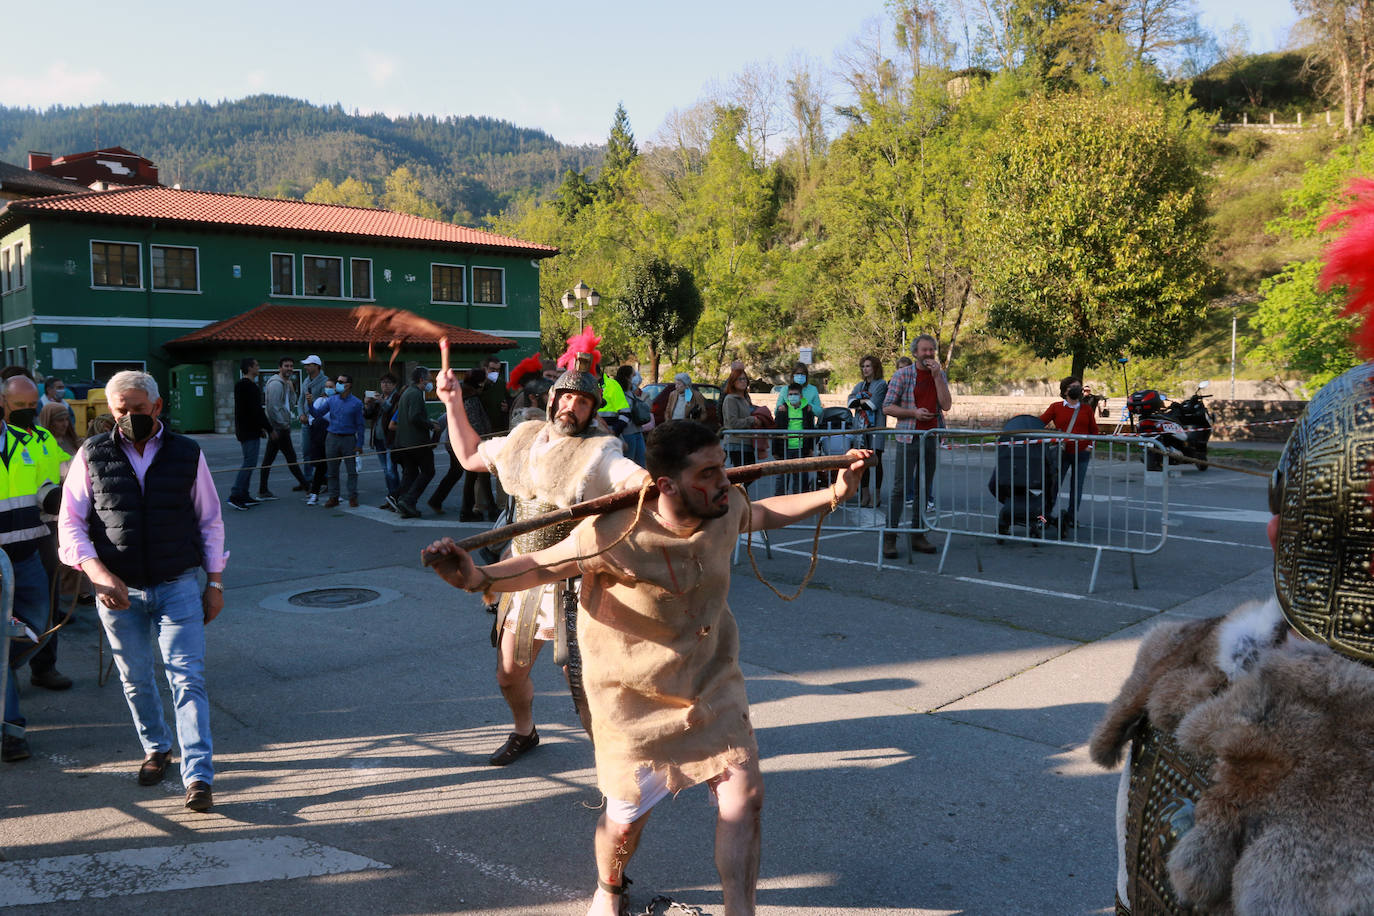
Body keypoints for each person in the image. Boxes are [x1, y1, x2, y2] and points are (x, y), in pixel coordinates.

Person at [424, 422, 870, 915]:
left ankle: (739, 910)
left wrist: (834, 492)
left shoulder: (724, 507)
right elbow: (543, 565)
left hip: (711, 683)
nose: (725, 480)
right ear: (667, 486)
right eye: (709, 471)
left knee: (746, 796)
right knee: (625, 819)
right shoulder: (613, 532)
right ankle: (609, 888)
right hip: (630, 698)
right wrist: (476, 576)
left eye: (722, 465)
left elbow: (761, 512)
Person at [438, 349, 648, 765]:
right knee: (509, 673)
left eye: (583, 402)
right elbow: (469, 455)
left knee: (586, 683)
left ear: (592, 411)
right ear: (552, 399)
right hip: (522, 573)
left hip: (576, 575)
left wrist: (656, 485)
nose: (572, 406)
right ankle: (525, 731)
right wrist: (452, 402)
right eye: (567, 397)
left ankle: (614, 764)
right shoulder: (523, 440)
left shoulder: (600, 453)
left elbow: (634, 480)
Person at [55, 370, 225, 812]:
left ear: (157, 406)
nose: (130, 417)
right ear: (110, 410)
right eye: (120, 410)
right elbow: (70, 522)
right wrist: (96, 572)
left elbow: (209, 520)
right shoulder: (92, 453)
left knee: (187, 679)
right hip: (118, 591)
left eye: (138, 408)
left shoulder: (187, 452)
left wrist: (216, 582)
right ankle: (156, 748)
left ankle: (199, 776)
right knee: (135, 679)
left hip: (179, 583)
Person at [1, 375, 68, 762]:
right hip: (0, 560)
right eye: (18, 406)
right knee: (2, 638)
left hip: (30, 549)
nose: (26, 412)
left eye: (31, 405)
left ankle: (7, 671)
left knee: (40, 624)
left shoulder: (33, 440)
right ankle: (12, 730)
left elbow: (51, 480)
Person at [881, 335, 952, 558]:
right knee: (900, 488)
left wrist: (938, 377)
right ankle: (890, 537)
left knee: (925, 486)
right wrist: (913, 413)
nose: (928, 354)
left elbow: (946, 405)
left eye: (931, 350)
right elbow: (887, 407)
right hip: (908, 437)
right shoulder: (902, 375)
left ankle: (918, 534)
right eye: (924, 350)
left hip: (931, 436)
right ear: (915, 353)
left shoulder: (939, 375)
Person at [1040, 376, 1099, 534]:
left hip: (1082, 453)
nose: (1076, 389)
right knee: (1053, 485)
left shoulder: (1086, 409)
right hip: (1062, 452)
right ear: (1065, 390)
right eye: (1072, 386)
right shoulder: (1056, 407)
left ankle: (1071, 517)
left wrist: (1090, 447)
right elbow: (1040, 423)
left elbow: (1094, 431)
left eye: (1078, 386)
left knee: (1076, 487)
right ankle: (1044, 517)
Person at [259, 357, 309, 499]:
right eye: (286, 366)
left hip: (280, 427)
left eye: (291, 366)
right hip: (280, 428)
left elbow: (291, 403)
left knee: (269, 460)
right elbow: (273, 408)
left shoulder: (286, 383)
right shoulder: (276, 384)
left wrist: (292, 389)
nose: (289, 368)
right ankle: (307, 487)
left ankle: (262, 490)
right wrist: (282, 424)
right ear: (280, 367)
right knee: (290, 458)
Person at [392, 366, 437, 519]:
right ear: (421, 380)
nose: (430, 383)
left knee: (411, 473)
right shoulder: (416, 394)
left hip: (404, 442)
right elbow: (415, 417)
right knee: (428, 471)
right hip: (417, 442)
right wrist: (430, 424)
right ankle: (408, 500)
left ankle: (403, 503)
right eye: (429, 380)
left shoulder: (407, 392)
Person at [318, 373, 364, 509]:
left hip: (349, 439)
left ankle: (352, 497)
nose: (337, 383)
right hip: (332, 437)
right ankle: (333, 497)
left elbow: (360, 425)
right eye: (337, 381)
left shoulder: (356, 403)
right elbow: (317, 413)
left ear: (348, 385)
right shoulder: (332, 400)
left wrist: (359, 443)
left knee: (351, 471)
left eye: (340, 381)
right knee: (332, 470)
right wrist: (309, 404)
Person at [229, 357, 270, 511]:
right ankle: (236, 494)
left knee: (249, 461)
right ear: (249, 367)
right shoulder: (249, 386)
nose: (258, 367)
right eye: (257, 365)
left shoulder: (241, 385)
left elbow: (247, 411)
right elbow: (256, 411)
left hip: (246, 429)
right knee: (249, 463)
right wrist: (268, 428)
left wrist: (260, 428)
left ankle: (244, 494)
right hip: (249, 431)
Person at [848, 355, 888, 508]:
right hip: (861, 428)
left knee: (876, 460)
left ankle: (877, 496)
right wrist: (860, 404)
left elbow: (873, 404)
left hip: (876, 427)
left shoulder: (881, 385)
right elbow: (850, 402)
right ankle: (865, 495)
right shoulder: (859, 385)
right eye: (863, 366)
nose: (865, 369)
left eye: (868, 366)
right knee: (862, 460)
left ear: (875, 368)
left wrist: (859, 403)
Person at [458, 368, 496, 522]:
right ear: (479, 382)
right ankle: (489, 510)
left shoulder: (465, 393)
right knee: (482, 477)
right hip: (476, 443)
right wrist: (482, 441)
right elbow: (475, 422)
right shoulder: (471, 397)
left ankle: (468, 510)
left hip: (472, 442)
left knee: (473, 478)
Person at [364, 372, 401, 510]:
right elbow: (368, 416)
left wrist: (382, 402)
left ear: (394, 385)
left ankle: (397, 498)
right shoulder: (379, 397)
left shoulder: (397, 397)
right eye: (383, 382)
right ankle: (391, 497)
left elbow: (393, 412)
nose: (384, 385)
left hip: (391, 439)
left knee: (392, 470)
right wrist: (368, 405)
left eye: (388, 383)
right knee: (386, 471)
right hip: (379, 439)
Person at [773, 381, 817, 495]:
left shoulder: (807, 410)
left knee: (800, 480)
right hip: (785, 449)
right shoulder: (782, 410)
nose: (793, 397)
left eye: (795, 394)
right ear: (787, 396)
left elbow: (811, 430)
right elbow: (776, 431)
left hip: (801, 449)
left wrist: (811, 448)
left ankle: (798, 505)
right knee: (782, 480)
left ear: (801, 396)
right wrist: (775, 450)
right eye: (790, 394)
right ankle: (779, 503)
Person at [721, 367, 758, 468]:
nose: (743, 381)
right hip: (736, 443)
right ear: (733, 382)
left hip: (747, 442)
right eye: (740, 379)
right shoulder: (730, 399)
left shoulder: (745, 398)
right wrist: (751, 420)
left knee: (750, 474)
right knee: (742, 476)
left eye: (745, 379)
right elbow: (733, 423)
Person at [615, 365, 648, 466]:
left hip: (638, 431)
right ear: (626, 377)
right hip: (627, 434)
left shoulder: (631, 391)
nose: (636, 377)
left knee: (642, 464)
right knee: (629, 464)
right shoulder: (618, 392)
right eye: (633, 375)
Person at [297, 355, 328, 461]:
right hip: (305, 422)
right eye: (305, 365)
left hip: (318, 422)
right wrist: (301, 414)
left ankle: (322, 476)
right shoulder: (305, 381)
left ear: (317, 366)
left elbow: (323, 403)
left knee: (320, 451)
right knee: (306, 451)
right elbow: (301, 400)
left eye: (309, 365)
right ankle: (308, 476)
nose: (306, 367)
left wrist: (310, 415)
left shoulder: (325, 382)